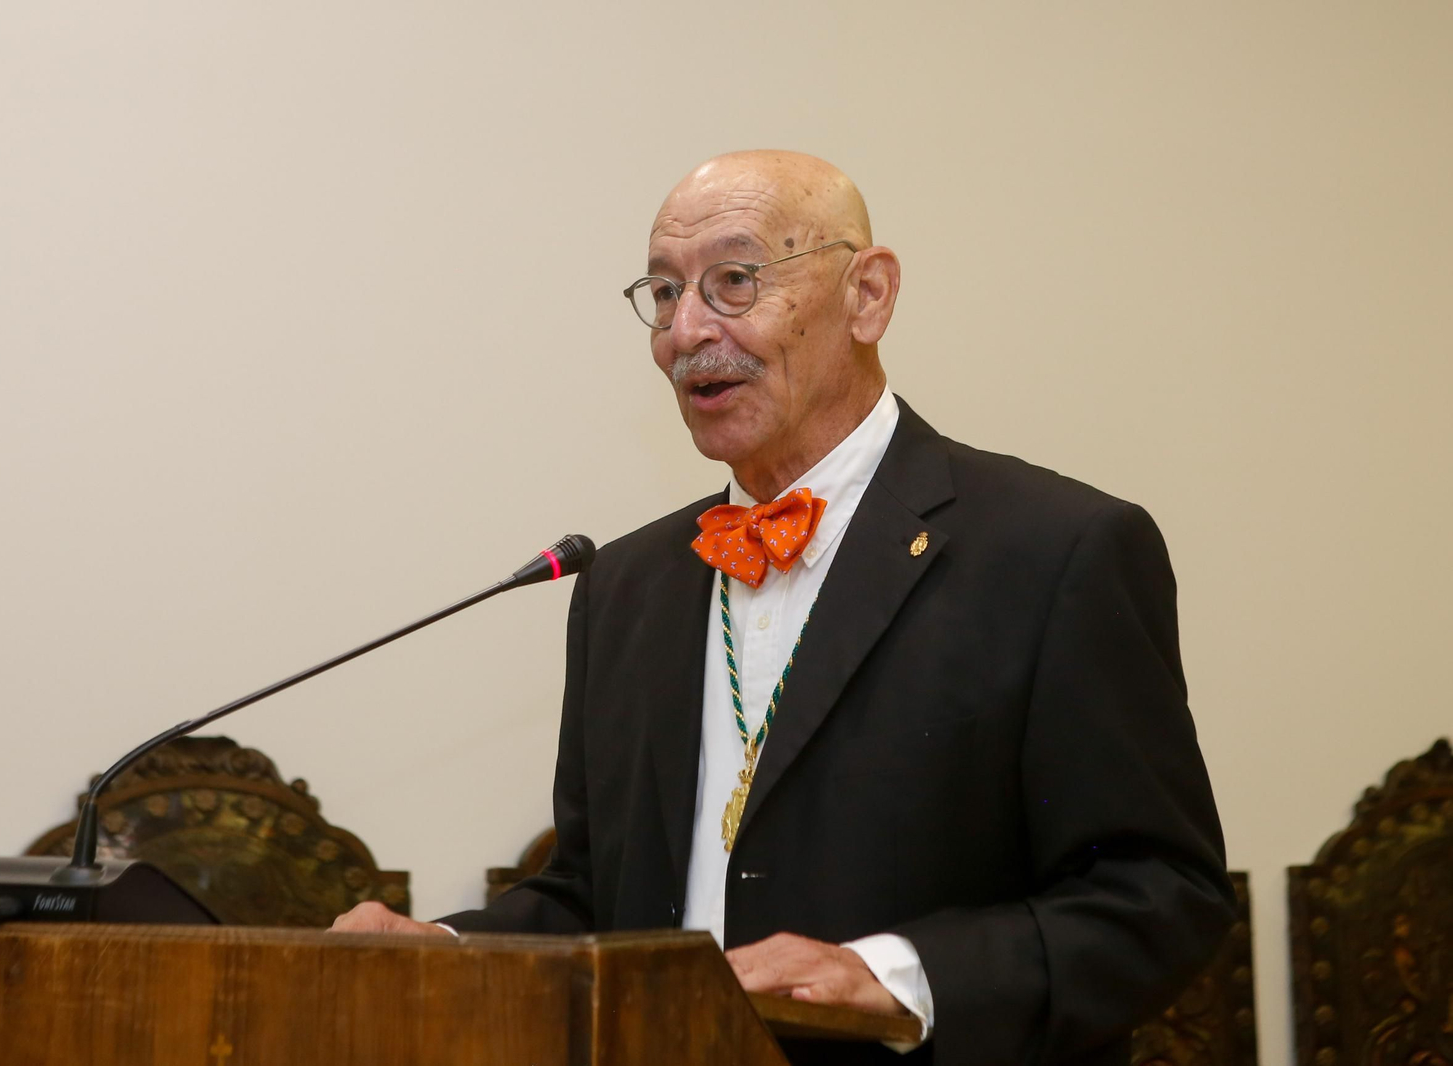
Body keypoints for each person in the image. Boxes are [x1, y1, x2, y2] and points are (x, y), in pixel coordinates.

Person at [332, 150, 1235, 1066]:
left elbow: (1158, 895)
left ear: (868, 296)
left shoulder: (1055, 552)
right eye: (663, 292)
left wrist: (893, 975)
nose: (685, 331)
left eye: (734, 281)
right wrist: (442, 952)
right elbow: (597, 901)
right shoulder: (627, 587)